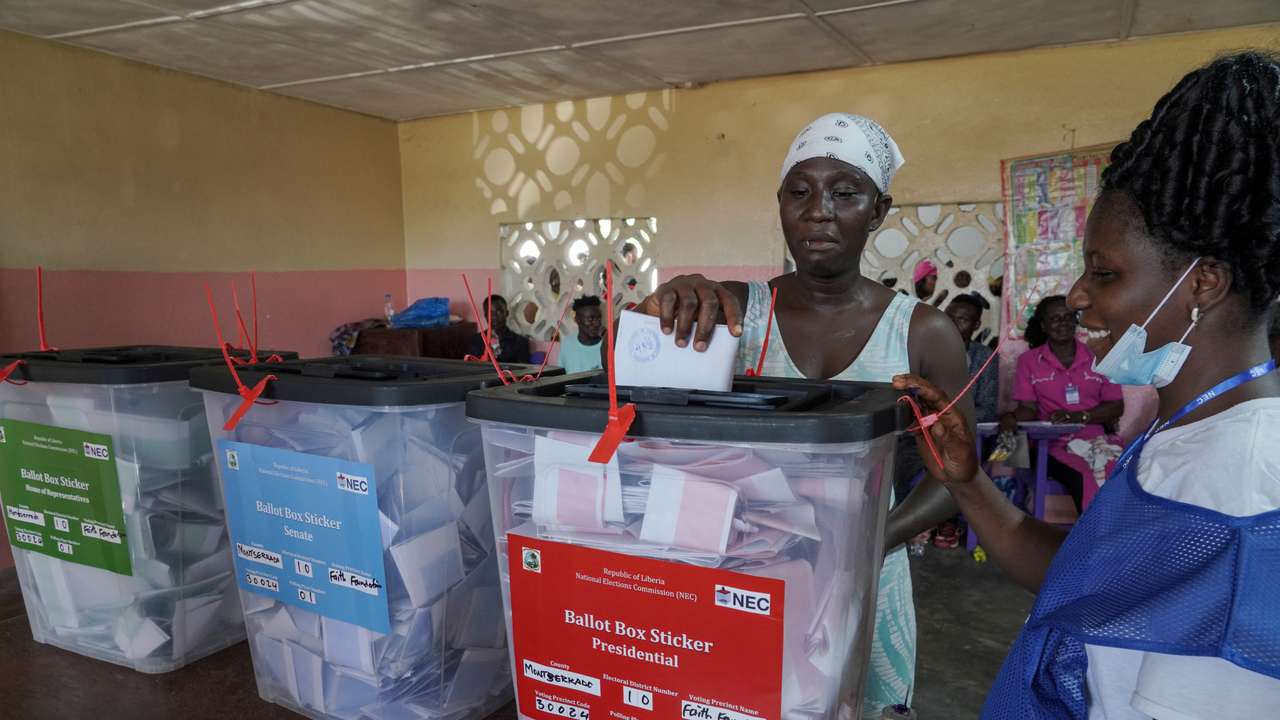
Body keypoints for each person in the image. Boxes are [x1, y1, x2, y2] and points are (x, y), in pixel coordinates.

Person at [894, 51, 1280, 718]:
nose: (1074, 298)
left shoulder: (1238, 486)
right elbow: (1088, 581)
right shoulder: (1192, 433)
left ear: (1203, 285)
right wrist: (966, 480)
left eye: (1103, 273)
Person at [637, 112, 973, 715]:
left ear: (878, 210)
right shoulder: (739, 312)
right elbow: (640, 374)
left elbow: (955, 474)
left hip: (868, 565)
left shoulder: (922, 331)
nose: (818, 209)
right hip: (744, 563)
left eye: (844, 193)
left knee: (857, 702)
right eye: (799, 191)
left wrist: (863, 544)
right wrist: (673, 296)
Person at [1002, 295, 1124, 512]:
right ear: (1044, 326)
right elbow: (1028, 409)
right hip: (1051, 444)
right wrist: (1010, 418)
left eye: (1069, 317)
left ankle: (1121, 537)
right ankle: (1091, 540)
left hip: (1097, 439)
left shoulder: (1097, 356)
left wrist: (1080, 417)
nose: (1064, 323)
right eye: (1055, 319)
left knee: (1122, 470)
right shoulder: (1029, 361)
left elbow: (1116, 405)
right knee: (1083, 477)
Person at [945, 293, 999, 423]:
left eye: (962, 319)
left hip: (966, 431)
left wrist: (949, 418)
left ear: (976, 325)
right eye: (948, 317)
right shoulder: (925, 351)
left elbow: (987, 409)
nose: (951, 324)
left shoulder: (985, 357)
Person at [465, 295, 531, 364]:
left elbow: (523, 371)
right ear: (485, 315)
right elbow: (470, 368)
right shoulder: (476, 341)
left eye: (498, 311)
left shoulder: (520, 342)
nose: (494, 316)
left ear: (506, 313)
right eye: (490, 312)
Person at [558, 296, 605, 374]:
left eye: (599, 318)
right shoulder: (567, 344)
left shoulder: (607, 345)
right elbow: (560, 375)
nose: (597, 323)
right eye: (591, 319)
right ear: (577, 320)